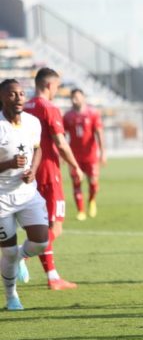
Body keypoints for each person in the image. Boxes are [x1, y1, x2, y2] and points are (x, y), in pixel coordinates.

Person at [23, 68, 83, 290]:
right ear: (49, 85)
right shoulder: (49, 108)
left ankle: (52, 277)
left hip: (32, 172)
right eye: (57, 86)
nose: (57, 90)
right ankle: (21, 256)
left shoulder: (26, 107)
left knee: (42, 225)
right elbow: (60, 141)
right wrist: (75, 166)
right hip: (49, 172)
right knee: (55, 228)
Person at [0, 79, 52, 310]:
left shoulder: (32, 123)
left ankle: (22, 257)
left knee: (41, 241)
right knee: (8, 252)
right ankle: (11, 297)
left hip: (27, 192)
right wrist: (9, 163)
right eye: (12, 94)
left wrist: (34, 170)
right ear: (2, 97)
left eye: (21, 93)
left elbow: (37, 149)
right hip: (1, 197)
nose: (19, 97)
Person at [63, 88, 105, 221]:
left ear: (83, 98)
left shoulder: (93, 113)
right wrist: (63, 155)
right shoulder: (68, 116)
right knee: (76, 182)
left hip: (91, 155)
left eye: (78, 96)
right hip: (74, 157)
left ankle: (92, 201)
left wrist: (103, 152)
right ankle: (80, 210)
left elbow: (99, 133)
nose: (76, 99)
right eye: (73, 97)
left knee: (93, 182)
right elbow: (62, 136)